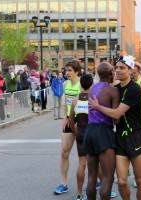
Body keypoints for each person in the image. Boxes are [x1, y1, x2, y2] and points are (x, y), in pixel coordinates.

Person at [89, 55, 141, 200]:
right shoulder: (115, 89)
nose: (118, 71)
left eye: (122, 68)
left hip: (135, 137)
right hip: (120, 138)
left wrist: (98, 106)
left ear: (130, 70)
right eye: (117, 68)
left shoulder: (134, 89)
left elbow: (116, 113)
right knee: (121, 181)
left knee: (139, 180)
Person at [83, 62, 119, 200]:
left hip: (89, 130)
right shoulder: (113, 91)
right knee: (107, 176)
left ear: (98, 74)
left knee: (91, 177)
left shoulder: (91, 89)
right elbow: (116, 119)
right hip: (103, 132)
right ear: (110, 73)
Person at [54, 60, 81, 195]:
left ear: (77, 71)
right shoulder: (65, 84)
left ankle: (98, 181)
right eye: (66, 70)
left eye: (70, 70)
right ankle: (63, 183)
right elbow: (65, 102)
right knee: (64, 152)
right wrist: (65, 117)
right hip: (70, 120)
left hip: (82, 121)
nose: (67, 73)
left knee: (89, 154)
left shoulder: (84, 85)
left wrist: (81, 119)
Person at [69, 74, 93, 200]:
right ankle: (100, 190)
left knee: (81, 164)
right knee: (96, 164)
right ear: (92, 84)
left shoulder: (76, 99)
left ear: (81, 85)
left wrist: (75, 131)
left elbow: (71, 120)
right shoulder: (94, 99)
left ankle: (79, 193)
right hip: (93, 134)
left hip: (81, 133)